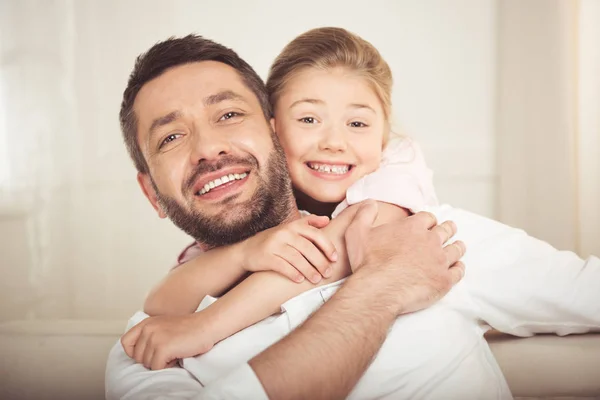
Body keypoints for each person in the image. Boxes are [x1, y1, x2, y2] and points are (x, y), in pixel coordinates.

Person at [107, 31, 600, 400]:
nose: (209, 146)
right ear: (152, 193)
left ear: (271, 133)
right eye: (170, 137)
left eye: (229, 114)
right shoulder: (153, 341)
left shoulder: (427, 238)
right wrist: (382, 288)